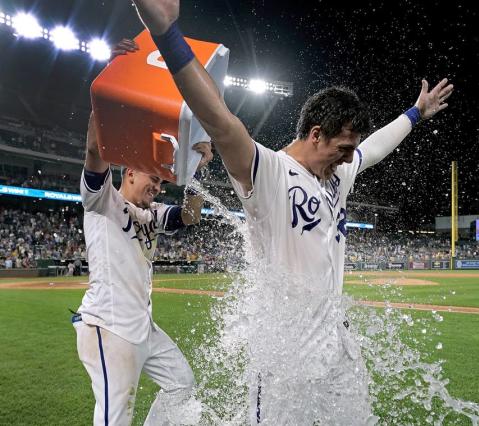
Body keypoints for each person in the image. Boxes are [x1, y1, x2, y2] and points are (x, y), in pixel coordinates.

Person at [132, 1, 453, 423]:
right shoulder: (270, 173)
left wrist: (416, 113)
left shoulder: (337, 174)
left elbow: (373, 149)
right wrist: (167, 36)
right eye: (342, 149)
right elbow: (222, 123)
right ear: (316, 134)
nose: (348, 159)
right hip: (285, 360)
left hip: (337, 350)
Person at [72, 39, 214, 425]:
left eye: (162, 183)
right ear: (130, 171)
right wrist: (108, 86)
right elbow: (93, 151)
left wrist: (197, 170)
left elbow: (188, 217)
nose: (158, 186)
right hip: (109, 326)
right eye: (154, 178)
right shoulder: (103, 202)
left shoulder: (151, 214)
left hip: (142, 326)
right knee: (115, 417)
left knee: (182, 383)